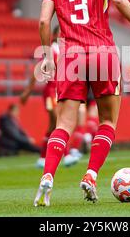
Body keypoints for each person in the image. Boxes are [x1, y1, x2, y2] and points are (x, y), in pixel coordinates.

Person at [33, 0, 130, 207]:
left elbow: (42, 22)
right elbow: (119, 0)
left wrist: (48, 55)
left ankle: (48, 176)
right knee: (107, 121)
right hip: (103, 53)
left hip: (71, 57)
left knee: (63, 124)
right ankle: (91, 175)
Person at [21, 26, 80, 168]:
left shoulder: (69, 51)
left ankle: (42, 158)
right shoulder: (51, 50)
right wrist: (27, 92)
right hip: (51, 92)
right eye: (60, 34)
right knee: (59, 122)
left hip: (64, 91)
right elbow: (38, 71)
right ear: (53, 35)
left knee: (53, 125)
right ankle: (67, 155)